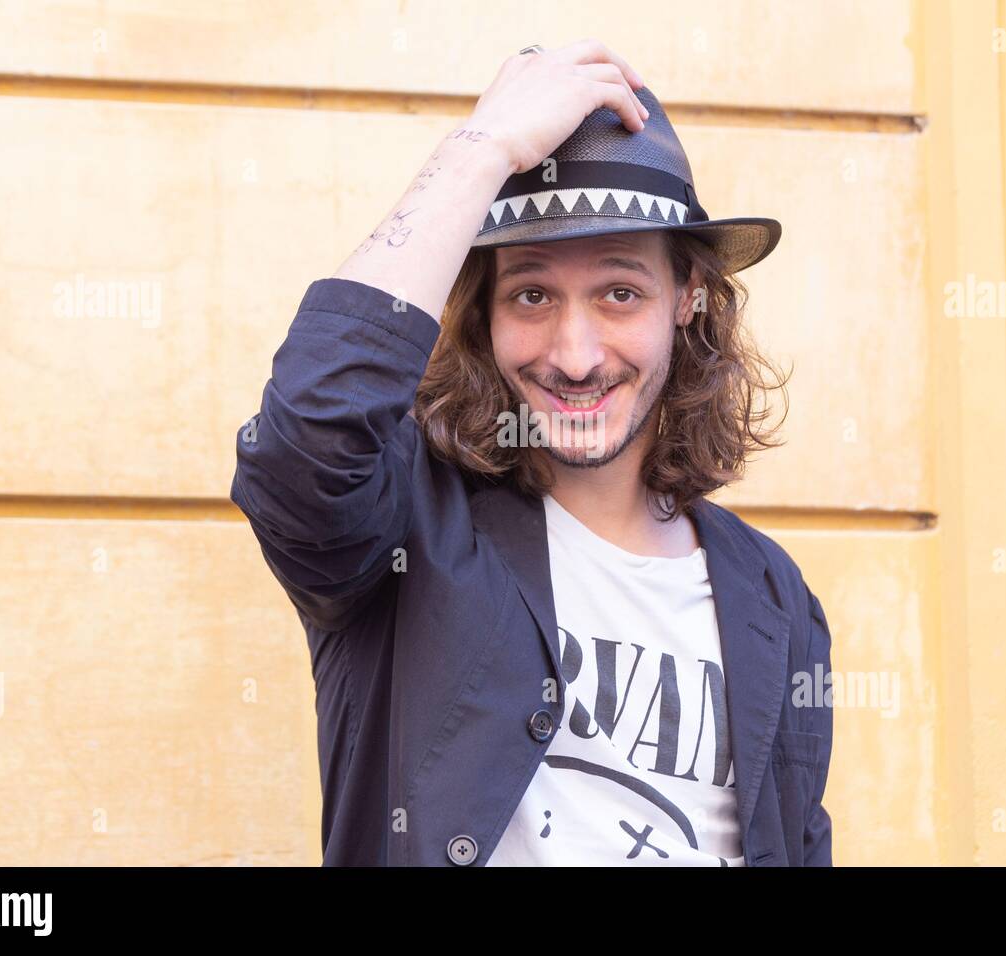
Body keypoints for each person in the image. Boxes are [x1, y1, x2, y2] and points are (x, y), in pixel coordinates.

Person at [231, 39, 834, 866]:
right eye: (531, 294)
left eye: (620, 293)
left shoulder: (775, 598)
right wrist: (483, 151)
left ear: (688, 297)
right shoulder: (406, 525)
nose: (576, 354)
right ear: (482, 313)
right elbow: (304, 438)